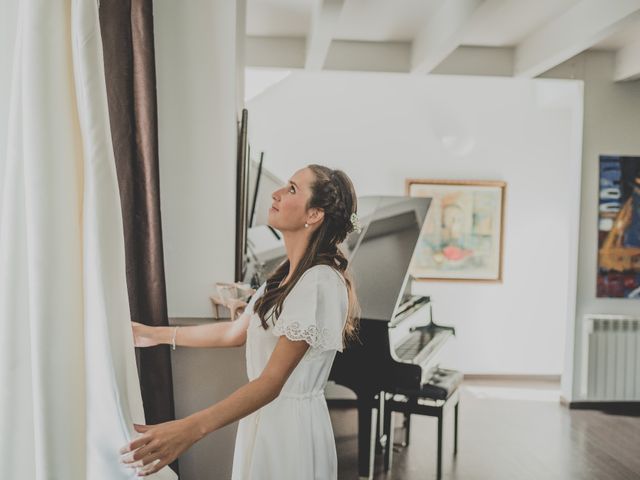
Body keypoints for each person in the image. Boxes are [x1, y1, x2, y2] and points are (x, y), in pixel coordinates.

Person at [120, 164, 361, 479]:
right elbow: (234, 333)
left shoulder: (318, 282)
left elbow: (271, 382)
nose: (275, 194)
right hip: (263, 420)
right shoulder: (281, 278)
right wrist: (153, 334)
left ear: (314, 215)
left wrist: (189, 429)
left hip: (289, 431)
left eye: (291, 189)